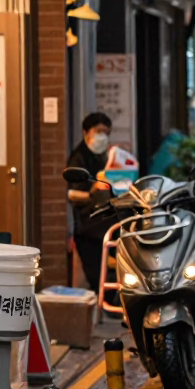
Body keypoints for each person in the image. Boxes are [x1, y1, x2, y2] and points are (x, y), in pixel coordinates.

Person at [66, 112, 114, 291]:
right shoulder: (78, 158)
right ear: (86, 133)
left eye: (107, 133)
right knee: (96, 274)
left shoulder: (104, 156)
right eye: (99, 132)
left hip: (105, 220)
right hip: (88, 225)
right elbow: (74, 194)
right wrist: (95, 189)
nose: (103, 137)